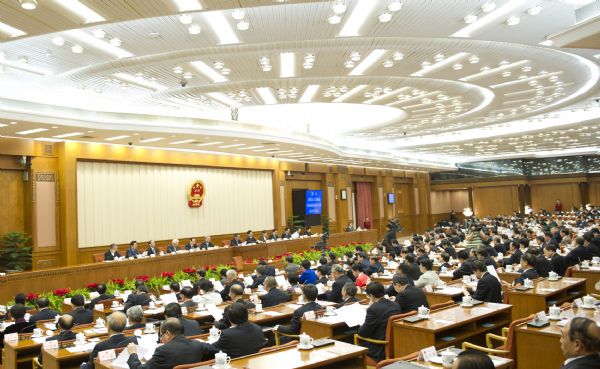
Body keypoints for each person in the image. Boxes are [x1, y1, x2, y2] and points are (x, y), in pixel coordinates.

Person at [127, 318, 214, 369]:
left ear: (168, 334)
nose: (161, 339)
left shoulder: (163, 351)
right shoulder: (198, 344)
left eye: (161, 335)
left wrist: (133, 354)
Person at [357, 282, 402, 362]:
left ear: (371, 296)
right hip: (395, 345)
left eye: (368, 296)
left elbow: (362, 333)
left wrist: (371, 307)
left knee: (351, 339)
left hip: (378, 348)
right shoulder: (396, 305)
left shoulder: (373, 309)